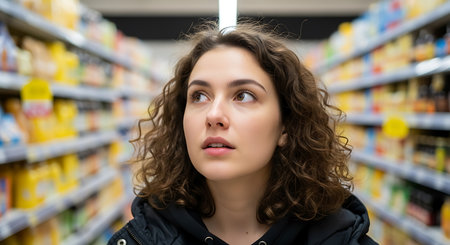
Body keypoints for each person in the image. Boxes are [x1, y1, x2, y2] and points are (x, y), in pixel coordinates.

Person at [108, 22, 378, 245]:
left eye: (244, 95)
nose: (214, 115)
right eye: (199, 96)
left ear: (286, 126)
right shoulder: (141, 239)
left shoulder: (340, 239)